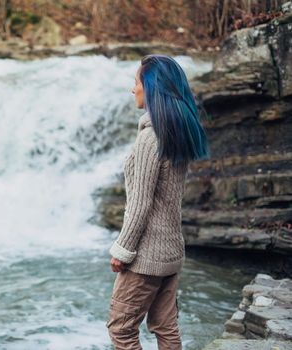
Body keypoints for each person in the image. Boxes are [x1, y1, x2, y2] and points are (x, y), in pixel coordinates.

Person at [106, 54, 210, 350]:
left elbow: (140, 203)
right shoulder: (178, 132)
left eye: (136, 82)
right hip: (171, 251)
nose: (132, 89)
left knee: (121, 330)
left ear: (151, 88)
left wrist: (123, 250)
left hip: (146, 256)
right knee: (166, 327)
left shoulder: (151, 139)